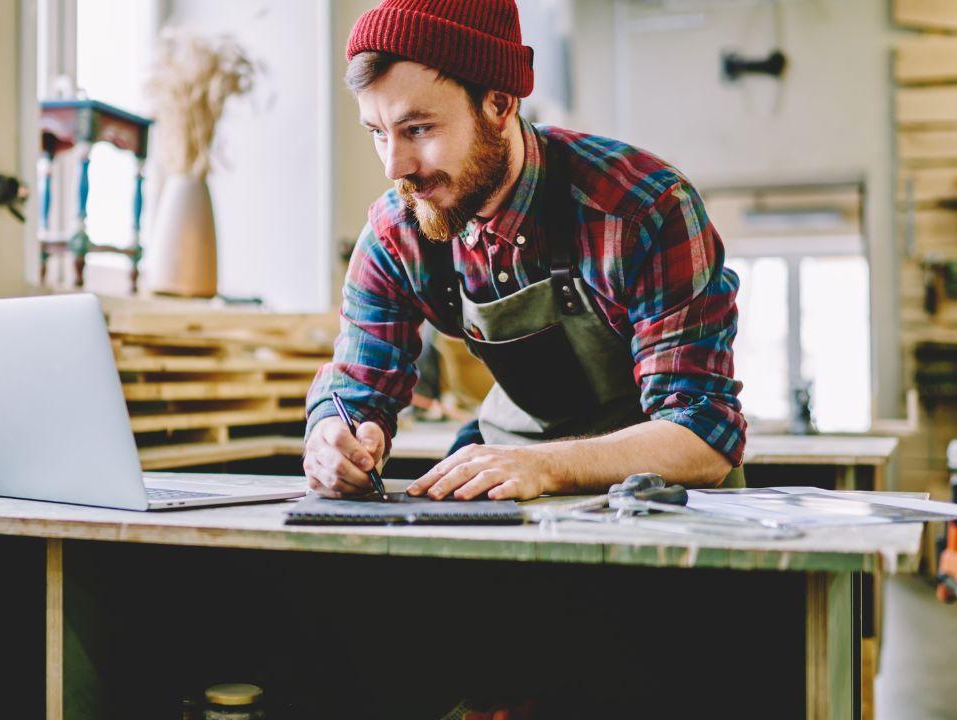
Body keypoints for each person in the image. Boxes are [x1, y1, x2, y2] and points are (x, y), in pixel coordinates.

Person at [303, 0, 746, 503]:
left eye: (418, 129)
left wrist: (546, 465)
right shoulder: (396, 235)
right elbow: (355, 393)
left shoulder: (642, 210)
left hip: (662, 503)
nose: (394, 166)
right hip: (505, 482)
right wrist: (334, 442)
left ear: (498, 103)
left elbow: (704, 437)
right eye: (378, 133)